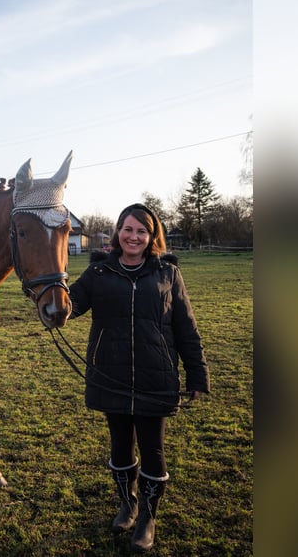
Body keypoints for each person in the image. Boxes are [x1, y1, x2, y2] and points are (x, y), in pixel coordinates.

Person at [68, 203, 210, 552]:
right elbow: (67, 306)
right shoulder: (99, 273)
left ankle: (147, 516)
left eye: (141, 231)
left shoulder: (167, 274)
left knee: (153, 449)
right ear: (117, 232)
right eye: (128, 229)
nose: (134, 237)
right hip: (110, 373)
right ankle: (127, 503)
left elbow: (186, 327)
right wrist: (44, 289)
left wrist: (197, 373)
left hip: (155, 376)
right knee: (120, 446)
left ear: (151, 237)